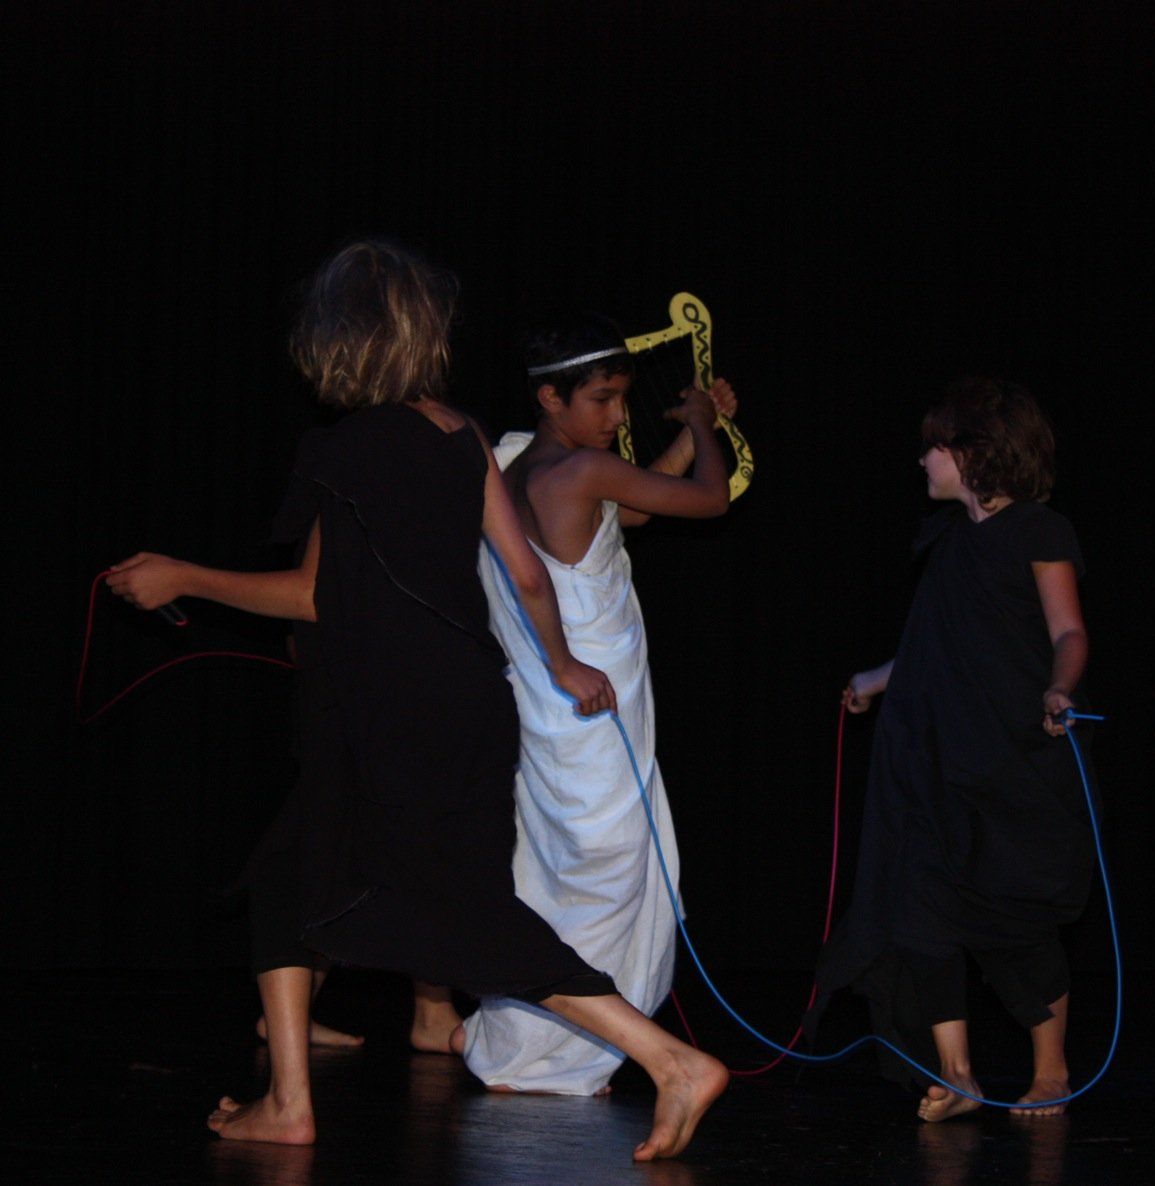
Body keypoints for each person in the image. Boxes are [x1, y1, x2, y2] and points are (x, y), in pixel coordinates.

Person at [105, 240, 726, 1159]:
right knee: (294, 879)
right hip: (470, 707)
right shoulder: (462, 433)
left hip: (384, 715)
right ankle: (290, 1099)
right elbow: (527, 574)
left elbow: (313, 595)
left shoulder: (339, 450)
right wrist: (558, 664)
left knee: (465, 919)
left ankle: (671, 1060)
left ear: (336, 341)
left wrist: (182, 577)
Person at [455, 310, 733, 1094]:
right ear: (551, 399)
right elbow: (710, 500)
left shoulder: (518, 465)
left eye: (621, 399)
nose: (616, 416)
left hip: (554, 709)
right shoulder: (580, 471)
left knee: (560, 872)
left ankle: (523, 1039)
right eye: (601, 400)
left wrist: (690, 432)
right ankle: (557, 1052)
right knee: (605, 874)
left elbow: (633, 507)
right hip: (587, 703)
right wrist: (702, 423)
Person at [813, 377, 1094, 1123]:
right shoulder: (949, 540)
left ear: (974, 453)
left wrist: (1060, 687)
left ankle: (1051, 1073)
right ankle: (958, 1075)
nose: (923, 461)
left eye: (934, 447)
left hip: (1009, 755)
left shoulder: (1039, 531)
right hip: (933, 756)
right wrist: (875, 680)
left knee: (1014, 918)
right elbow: (936, 647)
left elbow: (1068, 631)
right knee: (920, 910)